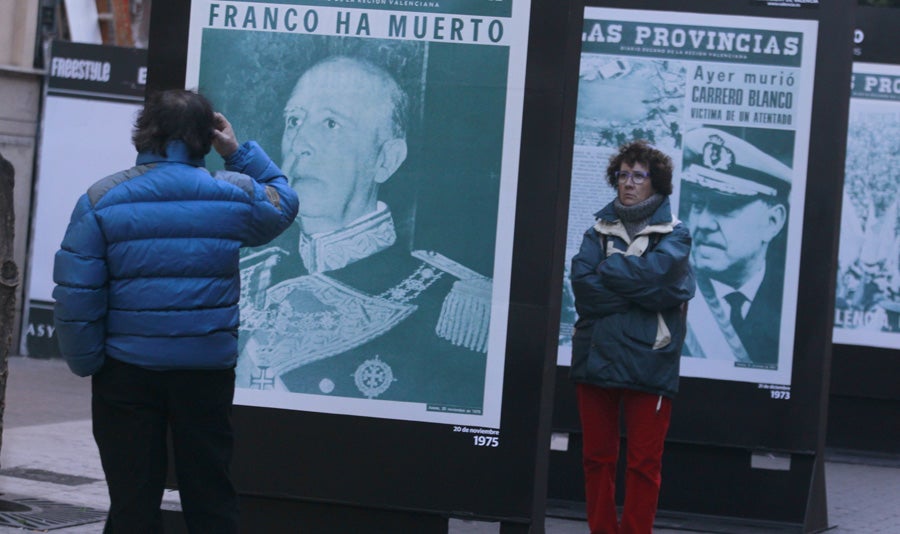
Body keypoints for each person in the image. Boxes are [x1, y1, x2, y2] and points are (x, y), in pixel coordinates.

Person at [52, 89, 299, 532]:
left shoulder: (101, 199)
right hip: (204, 373)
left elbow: (77, 293)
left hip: (126, 372)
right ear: (205, 136)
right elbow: (283, 202)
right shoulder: (235, 195)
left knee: (131, 500)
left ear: (145, 131)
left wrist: (89, 362)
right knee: (210, 496)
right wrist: (237, 152)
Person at [236, 55, 492, 410]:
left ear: (386, 159)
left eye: (331, 124)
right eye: (294, 121)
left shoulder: (452, 306)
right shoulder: (241, 276)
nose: (300, 143)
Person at [570, 140, 695, 534]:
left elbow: (661, 281)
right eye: (623, 175)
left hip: (650, 360)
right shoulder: (597, 230)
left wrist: (612, 270)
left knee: (643, 464)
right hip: (596, 357)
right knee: (597, 459)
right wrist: (641, 292)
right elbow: (583, 288)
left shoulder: (676, 234)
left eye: (638, 176)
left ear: (655, 182)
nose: (628, 183)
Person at [679, 127, 791, 367]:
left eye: (725, 207)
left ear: (773, 222)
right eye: (697, 204)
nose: (703, 224)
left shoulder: (792, 301)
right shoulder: (667, 290)